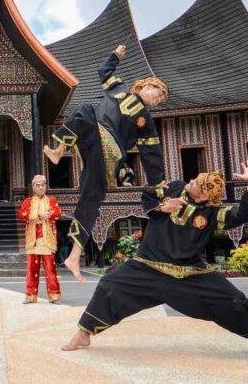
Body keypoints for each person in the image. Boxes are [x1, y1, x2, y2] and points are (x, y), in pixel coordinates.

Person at [61, 160, 248, 357]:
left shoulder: (211, 214)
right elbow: (148, 193)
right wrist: (161, 207)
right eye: (195, 179)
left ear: (204, 196)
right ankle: (83, 333)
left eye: (196, 183)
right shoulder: (175, 187)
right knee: (108, 285)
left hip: (188, 273)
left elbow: (241, 214)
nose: (191, 181)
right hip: (147, 266)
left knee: (235, 301)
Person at [44, 44, 168, 283]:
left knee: (89, 200)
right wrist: (115, 56)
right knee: (85, 109)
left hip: (108, 155)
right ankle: (59, 151)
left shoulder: (145, 121)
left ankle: (74, 256)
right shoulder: (119, 88)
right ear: (145, 85)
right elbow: (104, 72)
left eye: (161, 99)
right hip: (93, 136)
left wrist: (159, 186)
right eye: (158, 92)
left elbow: (151, 154)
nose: (158, 99)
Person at [18, 175, 62, 304]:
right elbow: (21, 214)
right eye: (38, 185)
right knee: (31, 270)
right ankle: (30, 296)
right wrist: (35, 216)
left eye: (43, 185)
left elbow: (57, 213)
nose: (41, 187)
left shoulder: (52, 201)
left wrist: (47, 215)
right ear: (33, 187)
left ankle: (54, 296)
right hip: (32, 240)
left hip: (47, 240)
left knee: (50, 269)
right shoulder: (28, 201)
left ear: (46, 186)